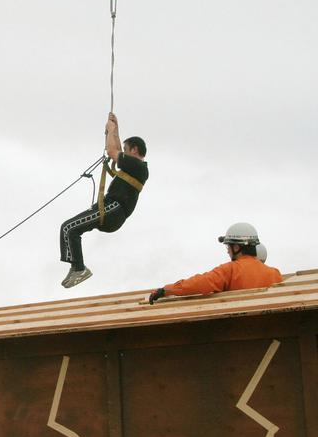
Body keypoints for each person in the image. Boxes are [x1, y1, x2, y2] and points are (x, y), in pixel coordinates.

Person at [59, 114, 149, 288]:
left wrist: (111, 130)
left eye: (127, 148)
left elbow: (112, 152)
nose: (124, 151)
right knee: (70, 229)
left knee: (69, 227)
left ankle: (79, 268)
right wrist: (115, 128)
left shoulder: (139, 167)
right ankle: (77, 267)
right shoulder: (134, 167)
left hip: (114, 210)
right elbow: (118, 151)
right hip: (112, 211)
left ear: (135, 150)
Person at [149, 223, 282, 304]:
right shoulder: (275, 274)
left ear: (237, 247)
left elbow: (199, 284)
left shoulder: (230, 270)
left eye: (228, 247)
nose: (228, 252)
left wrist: (166, 290)